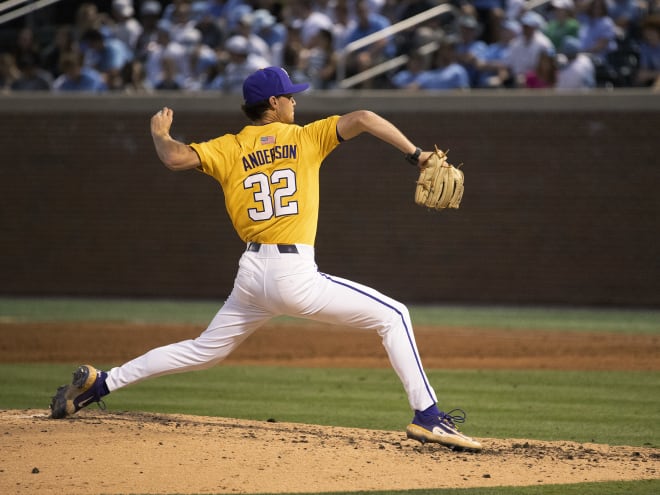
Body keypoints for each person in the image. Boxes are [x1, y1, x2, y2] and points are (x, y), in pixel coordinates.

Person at [49, 65, 482, 452]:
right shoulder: (305, 137)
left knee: (204, 350)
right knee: (394, 315)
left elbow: (175, 157)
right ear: (273, 104)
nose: (296, 101)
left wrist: (161, 134)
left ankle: (102, 382)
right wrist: (418, 155)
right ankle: (428, 417)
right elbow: (365, 118)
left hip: (252, 275)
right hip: (293, 274)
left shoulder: (229, 147)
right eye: (291, 95)